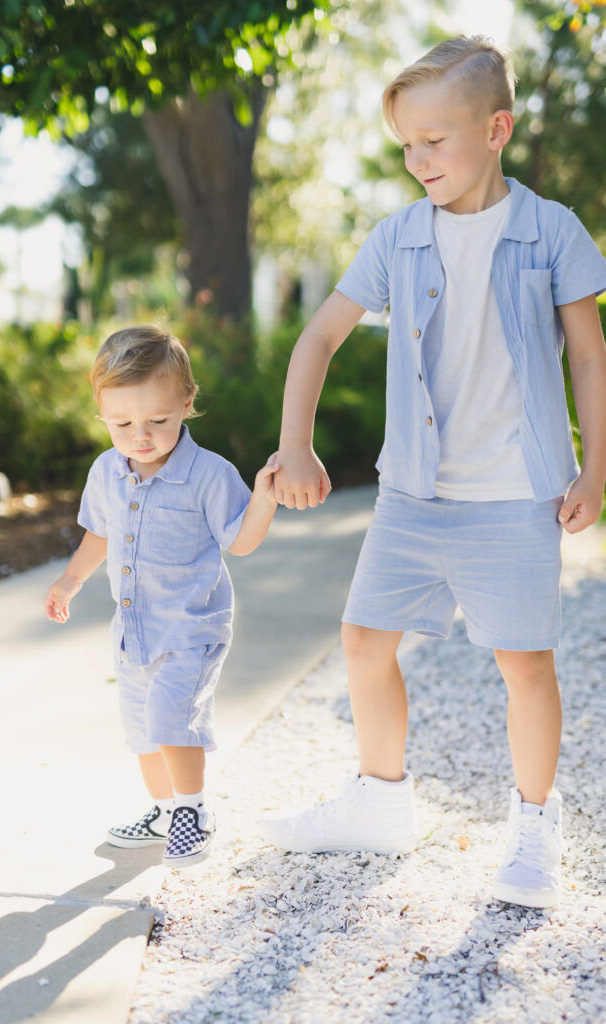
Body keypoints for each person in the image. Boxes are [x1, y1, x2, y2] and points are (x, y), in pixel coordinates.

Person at [261, 36, 606, 909]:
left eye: (434, 141)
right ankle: (380, 801)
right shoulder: (397, 237)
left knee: (523, 664)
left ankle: (534, 824)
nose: (418, 161)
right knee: (364, 641)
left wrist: (594, 468)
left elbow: (588, 357)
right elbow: (318, 337)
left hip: (514, 495)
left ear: (496, 130)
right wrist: (294, 444)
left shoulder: (550, 230)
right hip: (414, 494)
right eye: (406, 146)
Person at [45, 325, 279, 868]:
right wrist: (69, 581)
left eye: (158, 421)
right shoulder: (106, 471)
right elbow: (99, 535)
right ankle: (164, 810)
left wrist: (264, 500)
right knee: (144, 733)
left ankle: (193, 811)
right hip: (133, 632)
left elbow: (240, 542)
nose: (141, 436)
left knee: (174, 719)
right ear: (101, 412)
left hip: (190, 627)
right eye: (123, 423)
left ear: (186, 404)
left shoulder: (209, 475)